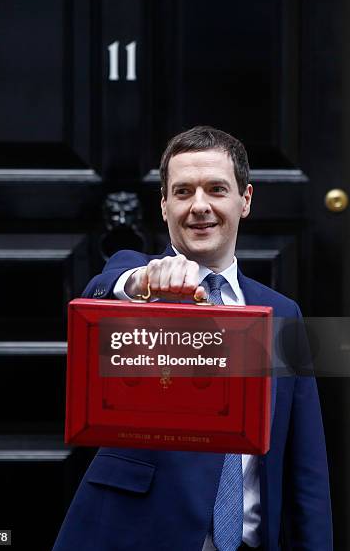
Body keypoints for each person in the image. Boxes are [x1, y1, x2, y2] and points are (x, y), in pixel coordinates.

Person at [53, 126, 333, 551]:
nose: (199, 206)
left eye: (216, 189)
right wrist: (142, 283)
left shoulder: (282, 313)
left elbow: (305, 464)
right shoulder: (141, 283)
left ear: (246, 200)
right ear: (164, 206)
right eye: (183, 192)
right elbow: (108, 284)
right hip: (139, 537)